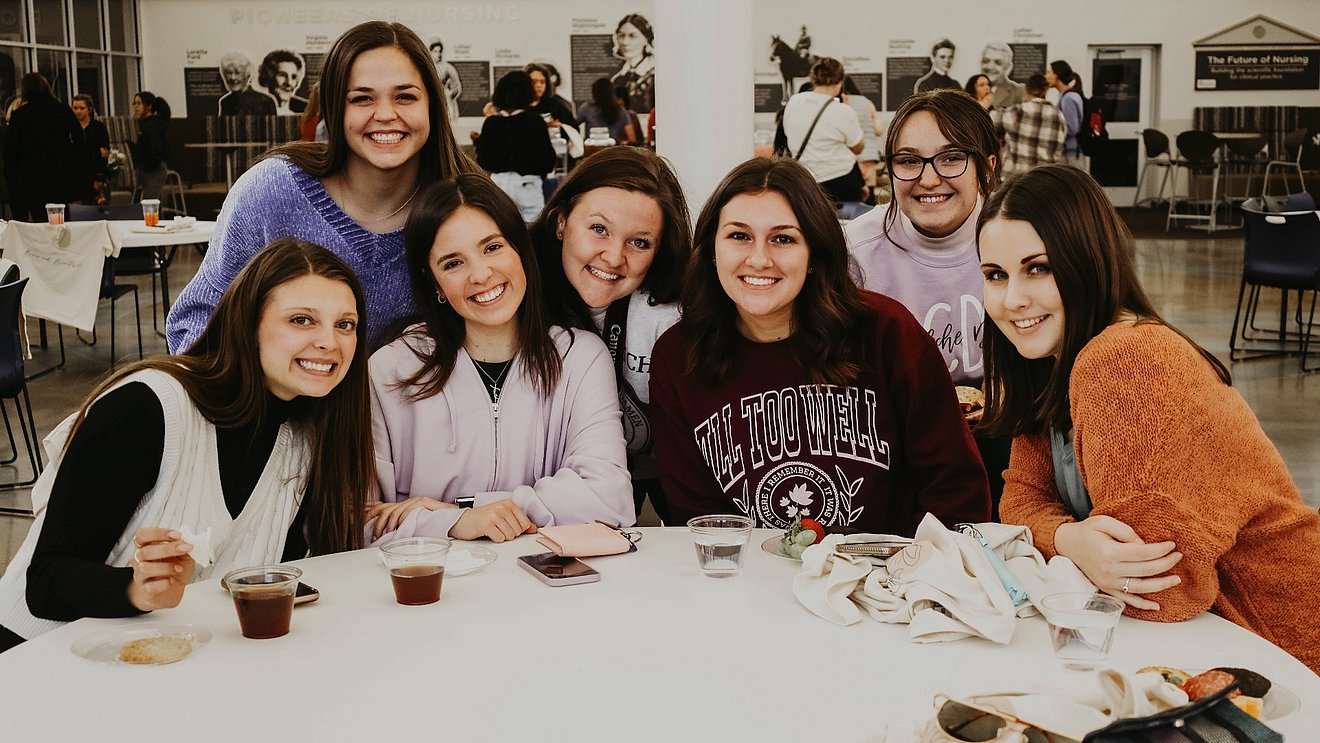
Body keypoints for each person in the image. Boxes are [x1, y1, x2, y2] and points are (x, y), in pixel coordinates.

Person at [979, 165, 1320, 674]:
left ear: (1087, 261)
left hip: (1279, 645)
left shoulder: (1125, 358)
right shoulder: (1055, 362)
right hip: (1217, 643)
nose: (1012, 300)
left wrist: (1069, 545)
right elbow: (1019, 500)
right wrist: (1072, 540)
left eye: (1039, 268)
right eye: (995, 275)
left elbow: (1163, 594)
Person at [0, 238, 373, 654]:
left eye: (345, 324)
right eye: (302, 320)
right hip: (33, 665)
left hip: (159, 670)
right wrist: (135, 590)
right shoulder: (147, 407)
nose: (330, 342)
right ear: (249, 325)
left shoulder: (305, 440)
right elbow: (48, 581)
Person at [651, 157, 990, 535]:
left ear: (814, 252)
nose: (760, 259)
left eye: (783, 239)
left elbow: (955, 489)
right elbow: (696, 517)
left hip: (884, 582)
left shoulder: (886, 333)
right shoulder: (678, 356)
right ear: (712, 250)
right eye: (739, 236)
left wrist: (909, 579)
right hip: (749, 585)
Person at [167, 21, 478, 355]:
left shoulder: (466, 205)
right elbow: (198, 319)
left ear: (432, 105)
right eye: (361, 99)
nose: (386, 114)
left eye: (405, 96)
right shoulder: (271, 192)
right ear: (333, 109)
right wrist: (256, 400)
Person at [367, 174, 633, 543]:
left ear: (519, 249)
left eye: (492, 248)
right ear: (434, 282)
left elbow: (610, 500)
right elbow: (360, 524)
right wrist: (455, 524)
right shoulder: (390, 370)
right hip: (434, 592)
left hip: (547, 588)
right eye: (453, 263)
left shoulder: (580, 357)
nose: (481, 274)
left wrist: (464, 511)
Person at [843, 89, 1009, 509]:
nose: (929, 178)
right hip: (892, 442)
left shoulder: (1018, 238)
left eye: (951, 157)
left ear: (987, 167)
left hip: (1005, 439)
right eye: (909, 160)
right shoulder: (855, 252)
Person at [529, 147, 691, 522]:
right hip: (570, 480)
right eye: (598, 229)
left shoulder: (674, 312)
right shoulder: (521, 298)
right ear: (560, 221)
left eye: (639, 242)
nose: (614, 257)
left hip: (670, 466)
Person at [780, 57, 865, 217]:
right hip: (842, 180)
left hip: (806, 180)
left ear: (813, 79)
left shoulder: (794, 102)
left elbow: (786, 132)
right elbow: (858, 147)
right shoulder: (842, 111)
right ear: (840, 82)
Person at [475, 71, 557, 221]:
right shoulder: (535, 121)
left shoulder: (491, 123)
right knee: (532, 233)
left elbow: (483, 160)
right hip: (528, 185)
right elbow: (547, 161)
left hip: (498, 185)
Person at [3, 73, 84, 221]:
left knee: (38, 223)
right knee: (60, 224)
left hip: (31, 180)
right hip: (60, 178)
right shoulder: (62, 110)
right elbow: (79, 141)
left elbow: (11, 153)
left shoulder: (19, 115)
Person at [992, 74, 1066, 176]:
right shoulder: (1058, 115)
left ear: (1026, 89)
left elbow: (990, 120)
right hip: (1044, 178)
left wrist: (987, 101)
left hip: (1015, 178)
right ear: (1046, 90)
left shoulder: (1017, 111)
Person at [842, 76, 883, 202]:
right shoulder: (866, 102)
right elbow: (879, 130)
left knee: (855, 196)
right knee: (869, 193)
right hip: (870, 154)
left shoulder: (842, 102)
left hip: (851, 154)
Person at [610, 13, 655, 112]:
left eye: (632, 36)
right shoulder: (617, 79)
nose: (625, 42)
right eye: (621, 36)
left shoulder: (654, 75)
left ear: (646, 39)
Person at [71, 94, 111, 204]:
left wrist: (99, 178)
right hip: (75, 175)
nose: (78, 111)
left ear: (89, 109)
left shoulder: (98, 128)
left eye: (81, 108)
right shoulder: (70, 128)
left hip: (94, 174)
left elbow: (104, 154)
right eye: (75, 108)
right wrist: (95, 152)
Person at [1046, 60, 1085, 167]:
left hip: (1070, 153)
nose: (1046, 76)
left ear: (1057, 75)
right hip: (1068, 151)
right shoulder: (1065, 96)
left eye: (1048, 72)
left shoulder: (1068, 98)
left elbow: (1072, 128)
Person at [133, 91, 170, 201]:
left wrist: (148, 163)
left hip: (154, 169)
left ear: (149, 106)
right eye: (134, 103)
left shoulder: (152, 124)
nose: (135, 107)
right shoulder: (146, 123)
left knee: (149, 202)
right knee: (153, 203)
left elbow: (155, 147)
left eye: (139, 103)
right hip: (148, 168)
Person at [577, 77, 636, 146]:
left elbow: (573, 126)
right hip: (613, 151)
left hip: (593, 150)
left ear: (594, 94)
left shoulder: (587, 108)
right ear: (612, 93)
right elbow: (632, 138)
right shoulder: (621, 111)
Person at [217, 51, 276, 116]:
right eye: (229, 73)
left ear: (247, 74)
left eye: (238, 73)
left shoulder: (265, 101)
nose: (233, 78)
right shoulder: (225, 102)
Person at [258, 49, 309, 116]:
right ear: (268, 77)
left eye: (293, 77)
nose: (289, 83)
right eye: (282, 75)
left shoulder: (307, 109)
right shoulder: (255, 109)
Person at [979, 42, 1023, 109]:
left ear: (1008, 67)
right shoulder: (969, 90)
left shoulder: (1018, 92)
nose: (990, 67)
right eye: (986, 61)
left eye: (998, 62)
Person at [428, 37, 463, 118]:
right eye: (435, 51)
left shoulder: (447, 67)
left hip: (445, 101)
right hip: (431, 101)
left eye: (440, 51)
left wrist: (449, 95)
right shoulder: (427, 67)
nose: (438, 54)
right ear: (430, 52)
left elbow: (457, 86)